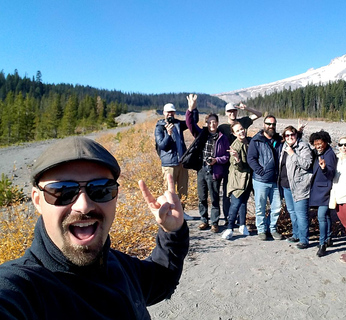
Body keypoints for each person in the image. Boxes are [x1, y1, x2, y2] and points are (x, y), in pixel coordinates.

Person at [0, 137, 189, 319]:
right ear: (37, 200)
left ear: (115, 196)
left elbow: (162, 279)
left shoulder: (119, 266)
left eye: (101, 189)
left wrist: (172, 232)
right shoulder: (23, 290)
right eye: (63, 191)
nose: (84, 206)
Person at [184, 95, 230, 233]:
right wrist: (190, 109)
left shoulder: (223, 138)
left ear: (217, 123)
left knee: (215, 198)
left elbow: (227, 156)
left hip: (214, 171)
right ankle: (204, 220)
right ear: (207, 123)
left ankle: (215, 222)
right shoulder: (201, 134)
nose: (212, 125)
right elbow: (189, 124)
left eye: (214, 122)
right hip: (202, 170)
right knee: (202, 197)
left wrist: (217, 160)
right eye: (209, 122)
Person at [218, 102, 263, 224]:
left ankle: (241, 220)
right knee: (229, 191)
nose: (232, 113)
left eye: (234, 111)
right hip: (230, 164)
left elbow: (259, 114)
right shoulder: (222, 127)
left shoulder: (243, 122)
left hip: (244, 162)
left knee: (244, 193)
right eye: (229, 111)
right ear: (226, 113)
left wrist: (246, 108)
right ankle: (228, 218)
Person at [154, 99, 194, 221]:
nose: (170, 114)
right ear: (164, 113)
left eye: (172, 112)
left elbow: (192, 122)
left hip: (181, 162)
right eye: (168, 112)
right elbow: (162, 146)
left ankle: (182, 212)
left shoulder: (178, 124)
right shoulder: (159, 127)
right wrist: (168, 134)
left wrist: (191, 109)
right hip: (169, 164)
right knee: (169, 190)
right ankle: (169, 213)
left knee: (183, 189)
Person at [247, 115, 283, 241]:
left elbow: (292, 140)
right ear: (264, 124)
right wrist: (260, 171)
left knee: (276, 207)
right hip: (261, 180)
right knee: (260, 207)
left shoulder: (279, 140)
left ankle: (272, 228)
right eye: (268, 124)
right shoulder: (256, 140)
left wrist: (299, 132)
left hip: (275, 180)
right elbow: (250, 158)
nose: (271, 126)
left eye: (273, 124)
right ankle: (261, 229)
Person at [278, 126, 313, 249]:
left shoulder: (303, 147)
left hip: (300, 186)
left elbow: (307, 164)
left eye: (292, 134)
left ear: (296, 135)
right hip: (286, 186)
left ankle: (304, 240)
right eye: (286, 135)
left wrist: (292, 154)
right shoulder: (285, 147)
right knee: (292, 212)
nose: (289, 137)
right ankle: (296, 234)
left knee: (301, 214)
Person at [221, 121, 253, 240]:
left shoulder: (250, 141)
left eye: (241, 129)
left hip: (248, 178)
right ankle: (230, 228)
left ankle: (242, 225)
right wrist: (237, 158)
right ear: (234, 134)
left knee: (244, 202)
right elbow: (237, 167)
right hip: (238, 180)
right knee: (236, 203)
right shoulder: (235, 146)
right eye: (238, 131)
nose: (241, 132)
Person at [309, 130, 337, 257]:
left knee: (321, 217)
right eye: (315, 144)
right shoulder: (319, 152)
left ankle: (322, 244)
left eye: (320, 143)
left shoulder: (329, 154)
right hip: (320, 190)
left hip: (325, 191)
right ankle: (328, 238)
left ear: (325, 142)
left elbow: (331, 174)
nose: (318, 146)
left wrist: (324, 168)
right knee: (326, 217)